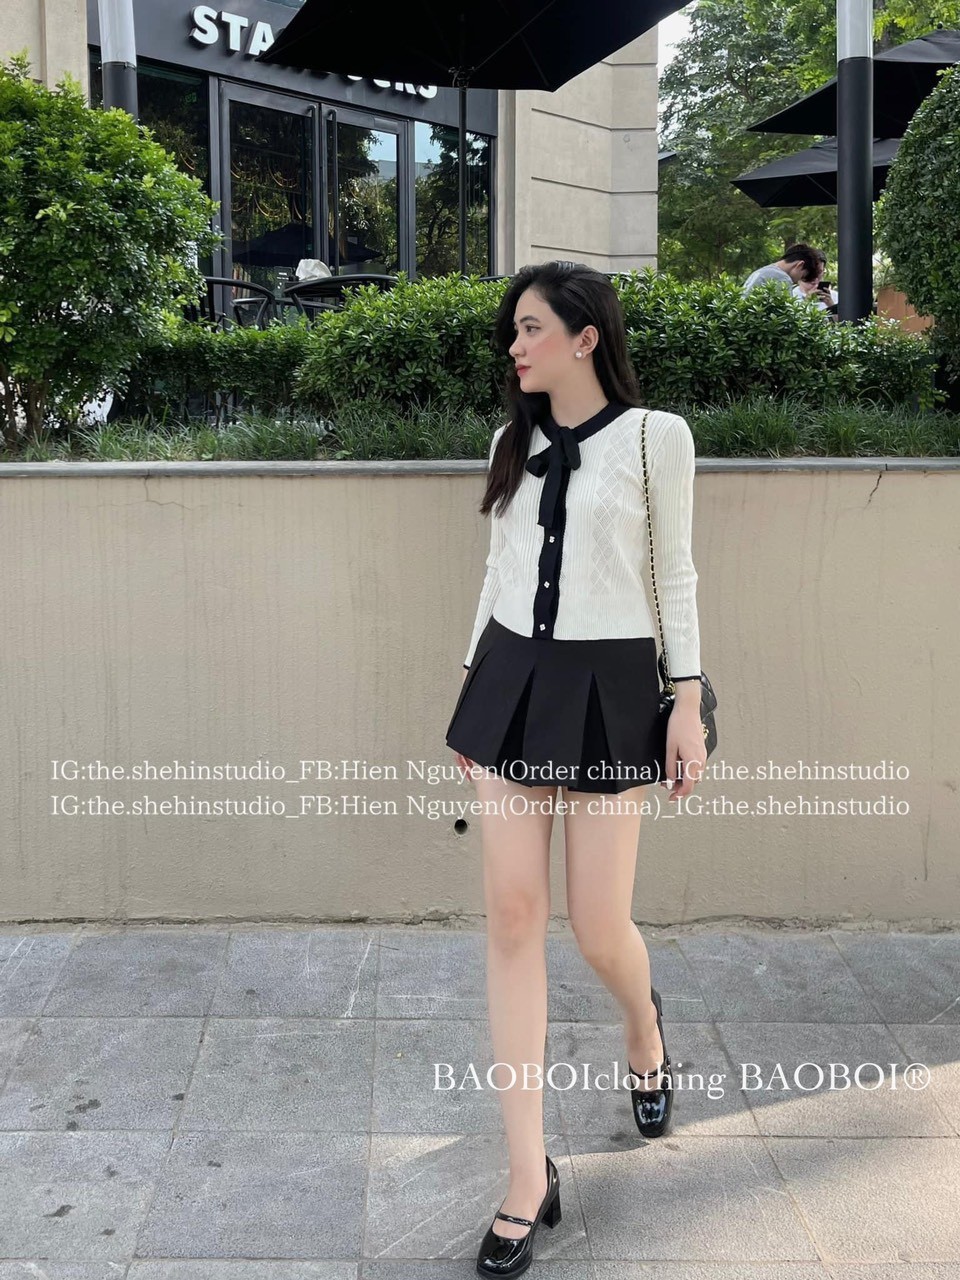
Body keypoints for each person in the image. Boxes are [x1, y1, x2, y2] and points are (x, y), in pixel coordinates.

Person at [444, 260, 707, 1278]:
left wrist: (686, 700)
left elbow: (674, 574)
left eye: (531, 328)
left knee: (600, 927)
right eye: (512, 331)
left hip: (611, 688)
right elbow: (495, 574)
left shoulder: (656, 437)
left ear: (585, 336)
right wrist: (472, 697)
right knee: (514, 917)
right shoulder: (509, 442)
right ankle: (526, 1175)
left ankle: (645, 1029)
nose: (515, 347)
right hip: (510, 680)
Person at [741, 242, 823, 296]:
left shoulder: (763, 271)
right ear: (800, 265)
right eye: (802, 276)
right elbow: (786, 314)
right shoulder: (782, 278)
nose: (797, 281)